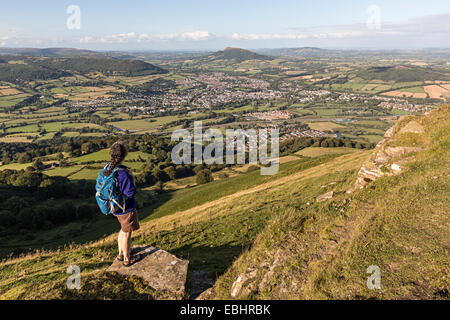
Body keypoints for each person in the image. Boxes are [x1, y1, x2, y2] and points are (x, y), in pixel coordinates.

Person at [108, 141, 140, 267]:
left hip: (115, 207)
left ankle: (121, 254)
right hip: (126, 208)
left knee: (122, 230)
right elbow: (131, 192)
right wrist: (132, 178)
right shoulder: (124, 173)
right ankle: (127, 259)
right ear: (123, 156)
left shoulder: (108, 168)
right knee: (127, 233)